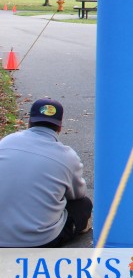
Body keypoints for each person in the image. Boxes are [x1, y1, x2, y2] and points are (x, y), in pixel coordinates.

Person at [0, 98, 93, 247]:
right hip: (39, 241)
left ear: (29, 122)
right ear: (59, 127)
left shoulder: (6, 142)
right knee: (84, 205)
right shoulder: (67, 156)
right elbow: (78, 195)